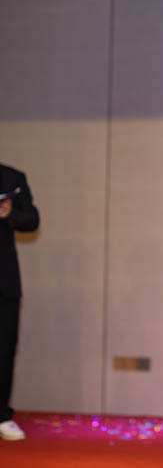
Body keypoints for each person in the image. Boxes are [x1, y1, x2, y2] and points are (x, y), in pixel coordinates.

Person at [0, 163, 40, 441]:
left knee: (3, 349)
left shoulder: (11, 178)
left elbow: (32, 220)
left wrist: (10, 213)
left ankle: (1, 416)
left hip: (3, 281)